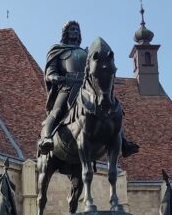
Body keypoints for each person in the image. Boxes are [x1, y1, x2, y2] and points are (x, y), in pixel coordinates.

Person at [38, 21, 138, 158]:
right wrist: (54, 77)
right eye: (72, 29)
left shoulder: (86, 53)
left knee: (111, 109)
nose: (75, 32)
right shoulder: (58, 50)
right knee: (56, 111)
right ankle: (47, 139)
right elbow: (50, 70)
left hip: (86, 87)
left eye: (77, 30)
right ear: (66, 33)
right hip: (67, 86)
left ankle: (124, 142)